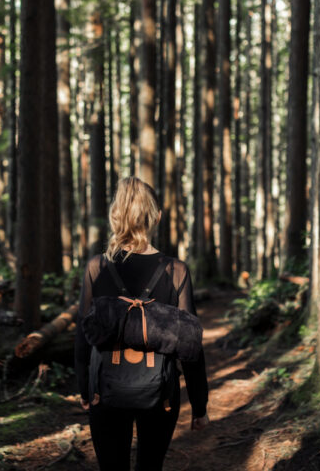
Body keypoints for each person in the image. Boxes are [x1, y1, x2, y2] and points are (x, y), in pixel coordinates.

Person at [74, 176, 210, 471]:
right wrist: (200, 406)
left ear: (115, 216)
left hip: (105, 390)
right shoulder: (175, 271)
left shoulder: (96, 268)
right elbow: (190, 344)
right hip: (161, 393)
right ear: (156, 217)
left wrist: (84, 389)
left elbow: (83, 334)